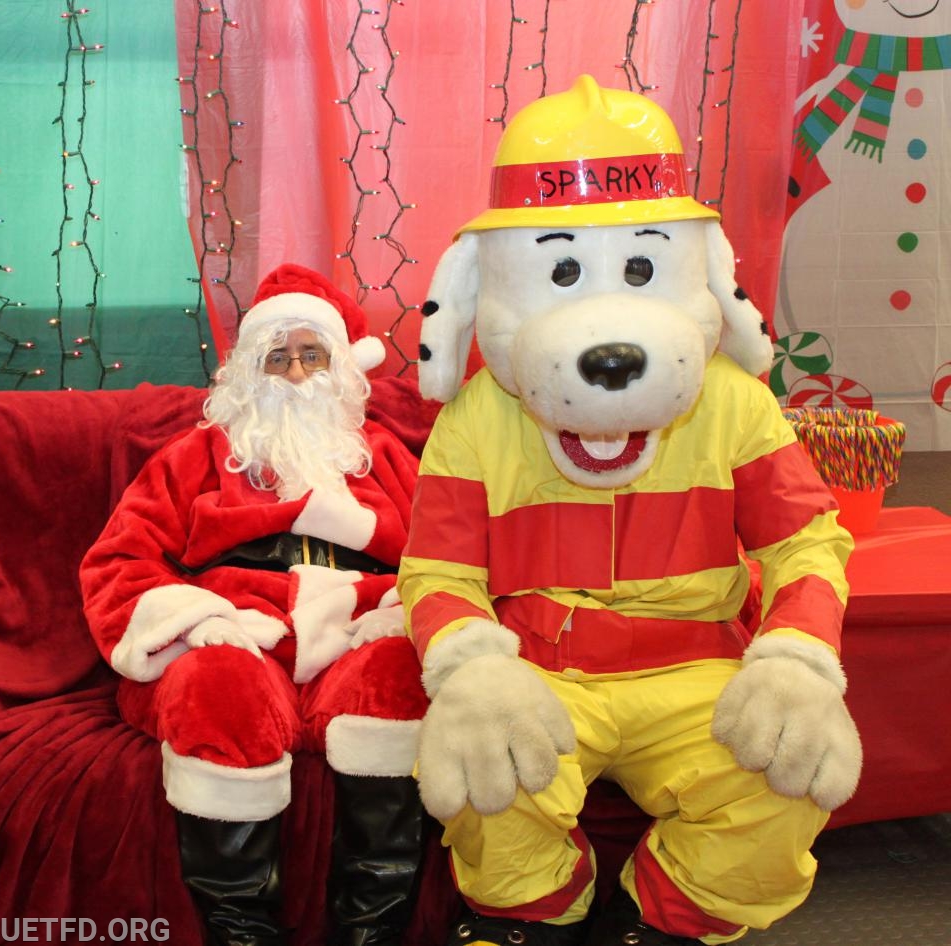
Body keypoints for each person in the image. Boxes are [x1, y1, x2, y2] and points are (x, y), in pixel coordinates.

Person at [398, 76, 861, 946]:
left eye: (642, 268)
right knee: (487, 769)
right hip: (542, 671)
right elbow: (439, 570)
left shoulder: (736, 405)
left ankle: (660, 920)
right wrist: (475, 669)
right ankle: (541, 916)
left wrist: (798, 657)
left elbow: (808, 542)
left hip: (696, 676)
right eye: (561, 271)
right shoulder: (474, 418)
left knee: (787, 772)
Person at [80, 263, 429, 946]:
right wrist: (197, 621)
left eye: (312, 354)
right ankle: (241, 931)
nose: (297, 374)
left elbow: (444, 555)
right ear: (248, 372)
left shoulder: (383, 456)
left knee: (397, 680)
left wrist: (400, 609)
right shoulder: (200, 454)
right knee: (219, 686)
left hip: (361, 626)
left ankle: (372, 929)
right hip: (242, 629)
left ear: (341, 368)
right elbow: (119, 560)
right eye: (277, 357)